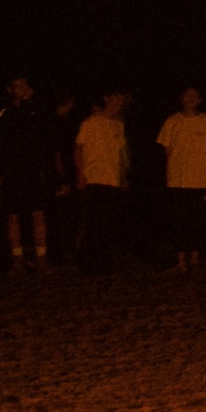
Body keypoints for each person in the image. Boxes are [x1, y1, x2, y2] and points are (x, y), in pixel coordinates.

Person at [0, 78, 59, 272]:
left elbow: (46, 133)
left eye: (25, 84)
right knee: (13, 215)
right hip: (11, 171)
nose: (22, 89)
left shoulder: (36, 109)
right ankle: (17, 257)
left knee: (38, 212)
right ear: (9, 89)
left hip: (33, 169)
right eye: (17, 85)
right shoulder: (4, 113)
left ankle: (41, 256)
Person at [151, 89, 206, 272]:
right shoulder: (172, 121)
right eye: (186, 96)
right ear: (181, 99)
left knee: (197, 220)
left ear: (199, 100)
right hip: (177, 179)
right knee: (179, 219)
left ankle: (195, 258)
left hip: (200, 179)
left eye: (194, 96)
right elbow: (166, 149)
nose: (190, 100)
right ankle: (180, 260)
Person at [74, 91, 133, 274]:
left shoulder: (117, 125)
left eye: (121, 100)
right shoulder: (90, 122)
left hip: (112, 179)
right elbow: (79, 149)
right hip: (94, 178)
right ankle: (89, 262)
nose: (118, 103)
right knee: (94, 222)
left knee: (109, 222)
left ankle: (105, 260)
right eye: (115, 98)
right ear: (106, 98)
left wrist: (123, 176)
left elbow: (120, 153)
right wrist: (80, 174)